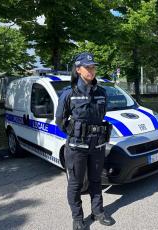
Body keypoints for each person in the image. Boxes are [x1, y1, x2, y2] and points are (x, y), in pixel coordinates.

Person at [56, 52, 115, 229]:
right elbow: (60, 120)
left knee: (96, 181)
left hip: (97, 145)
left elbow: (101, 116)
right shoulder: (68, 94)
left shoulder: (102, 93)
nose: (91, 70)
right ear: (78, 69)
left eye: (93, 67)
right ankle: (77, 218)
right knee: (76, 183)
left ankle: (98, 212)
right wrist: (75, 133)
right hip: (77, 148)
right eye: (87, 67)